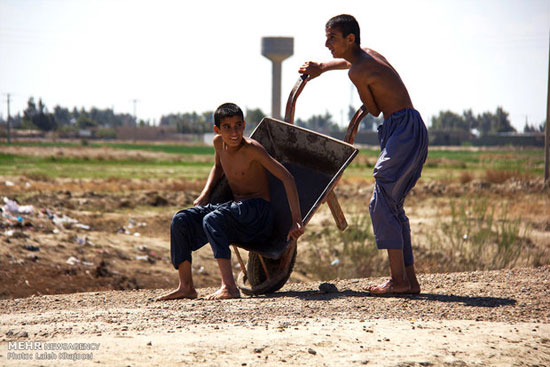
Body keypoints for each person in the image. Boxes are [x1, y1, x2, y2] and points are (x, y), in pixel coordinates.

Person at [299, 14, 428, 295]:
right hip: (408, 126)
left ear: (350, 39)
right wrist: (322, 67)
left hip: (402, 129)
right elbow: (349, 61)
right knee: (390, 204)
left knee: (382, 201)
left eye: (331, 38)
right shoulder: (369, 55)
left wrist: (363, 94)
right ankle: (408, 280)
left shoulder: (358, 73)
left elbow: (374, 109)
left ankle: (398, 280)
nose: (326, 43)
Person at [158, 102, 304, 301]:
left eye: (238, 126)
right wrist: (205, 193)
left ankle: (229, 287)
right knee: (181, 219)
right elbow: (217, 167)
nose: (234, 132)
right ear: (217, 129)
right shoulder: (218, 144)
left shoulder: (252, 150)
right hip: (235, 210)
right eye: (227, 127)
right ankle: (186, 287)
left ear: (244, 126)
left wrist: (296, 219)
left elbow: (287, 178)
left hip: (258, 212)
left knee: (213, 219)